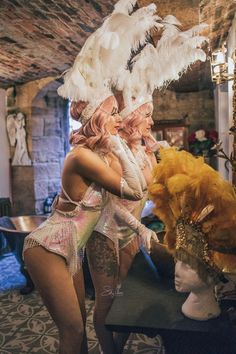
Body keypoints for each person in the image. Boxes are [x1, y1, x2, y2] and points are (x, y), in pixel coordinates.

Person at [23, 94, 146, 354]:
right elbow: (134, 191)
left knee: (80, 338)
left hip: (72, 251)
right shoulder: (82, 156)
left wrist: (141, 228)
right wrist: (121, 147)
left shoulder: (98, 158)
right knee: (74, 331)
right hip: (46, 249)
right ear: (98, 119)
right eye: (112, 113)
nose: (118, 119)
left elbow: (113, 207)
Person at [86, 99, 159, 354]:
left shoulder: (147, 153)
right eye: (146, 115)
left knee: (125, 299)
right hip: (104, 234)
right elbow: (109, 205)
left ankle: (117, 346)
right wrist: (139, 228)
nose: (151, 122)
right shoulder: (111, 154)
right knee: (106, 299)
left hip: (131, 234)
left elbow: (152, 194)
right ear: (131, 119)